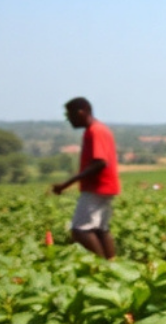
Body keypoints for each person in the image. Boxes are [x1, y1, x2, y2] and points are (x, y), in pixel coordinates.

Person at [51, 97, 119, 259]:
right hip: (104, 186)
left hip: (97, 186)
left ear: (81, 113)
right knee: (100, 229)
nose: (69, 120)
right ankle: (112, 265)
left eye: (70, 115)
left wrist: (68, 183)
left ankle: (102, 268)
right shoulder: (98, 129)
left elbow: (100, 162)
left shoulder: (95, 131)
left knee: (80, 230)